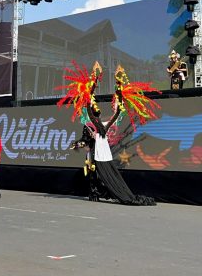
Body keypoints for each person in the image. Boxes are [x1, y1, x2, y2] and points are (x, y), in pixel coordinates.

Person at [59, 62, 157, 206]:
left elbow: (114, 113)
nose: (95, 114)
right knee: (94, 173)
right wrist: (78, 144)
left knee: (101, 175)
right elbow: (88, 132)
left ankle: (101, 192)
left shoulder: (102, 126)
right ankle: (95, 192)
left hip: (101, 156)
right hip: (96, 155)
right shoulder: (93, 125)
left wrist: (116, 88)